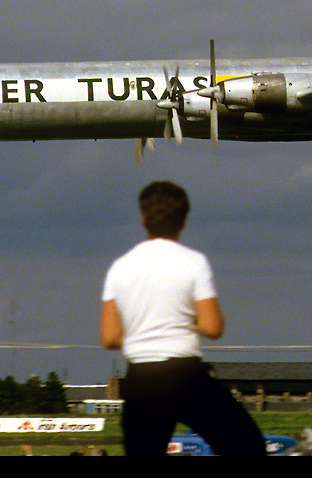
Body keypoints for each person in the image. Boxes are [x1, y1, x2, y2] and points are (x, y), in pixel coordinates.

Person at [100, 181, 266, 456]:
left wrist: (146, 330)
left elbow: (109, 337)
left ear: (143, 219)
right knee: (246, 446)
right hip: (185, 377)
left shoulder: (120, 267)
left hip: (141, 379)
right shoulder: (193, 262)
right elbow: (213, 327)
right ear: (184, 221)